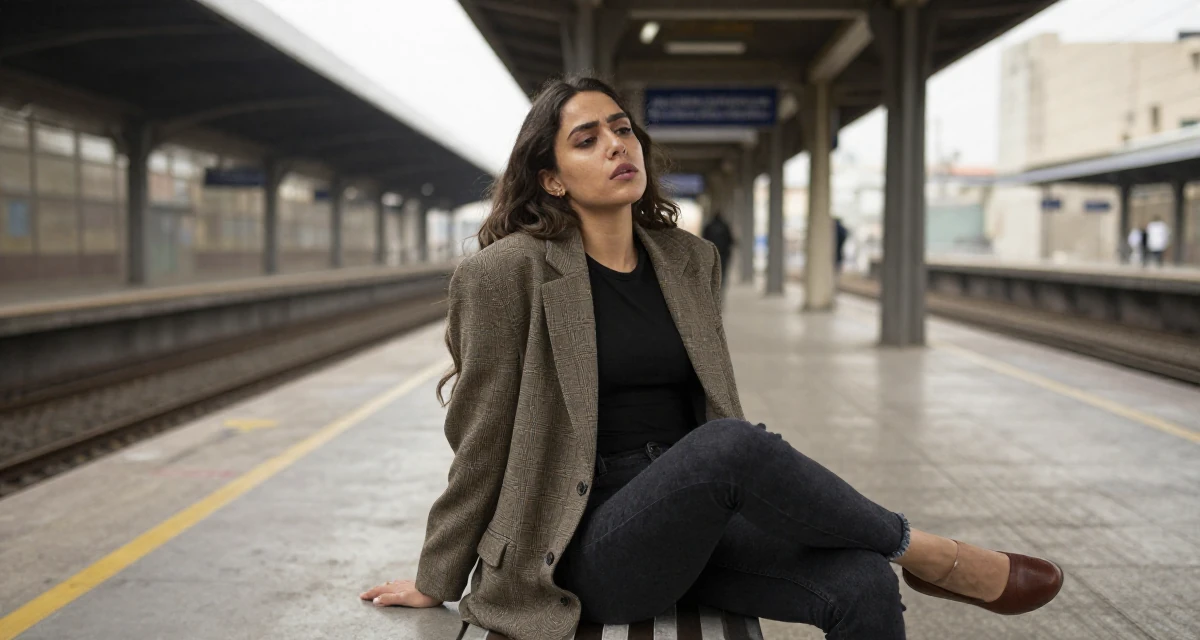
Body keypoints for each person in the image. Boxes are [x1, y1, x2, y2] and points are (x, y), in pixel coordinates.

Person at [359, 77, 1063, 640]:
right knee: (730, 447)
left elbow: (703, 401)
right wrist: (438, 574)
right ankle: (931, 554)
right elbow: (480, 436)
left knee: (862, 583)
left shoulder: (688, 260)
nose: (615, 144)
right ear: (551, 179)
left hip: (692, 520)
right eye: (587, 138)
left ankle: (899, 559)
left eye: (621, 128)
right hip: (581, 547)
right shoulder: (504, 274)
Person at [701, 211, 735, 292]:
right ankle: (721, 285)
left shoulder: (708, 226)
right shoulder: (725, 226)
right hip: (723, 254)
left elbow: (703, 240)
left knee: (711, 271)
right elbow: (730, 240)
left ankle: (713, 286)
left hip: (710, 254)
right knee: (722, 271)